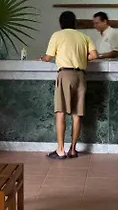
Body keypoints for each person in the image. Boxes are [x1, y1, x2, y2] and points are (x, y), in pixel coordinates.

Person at [40, 11, 98, 159]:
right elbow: (94, 55)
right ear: (75, 23)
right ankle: (72, 149)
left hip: (65, 75)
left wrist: (41, 58)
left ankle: (60, 150)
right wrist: (80, 57)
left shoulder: (57, 35)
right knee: (77, 114)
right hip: (80, 76)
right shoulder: (84, 37)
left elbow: (47, 57)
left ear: (61, 24)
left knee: (60, 112)